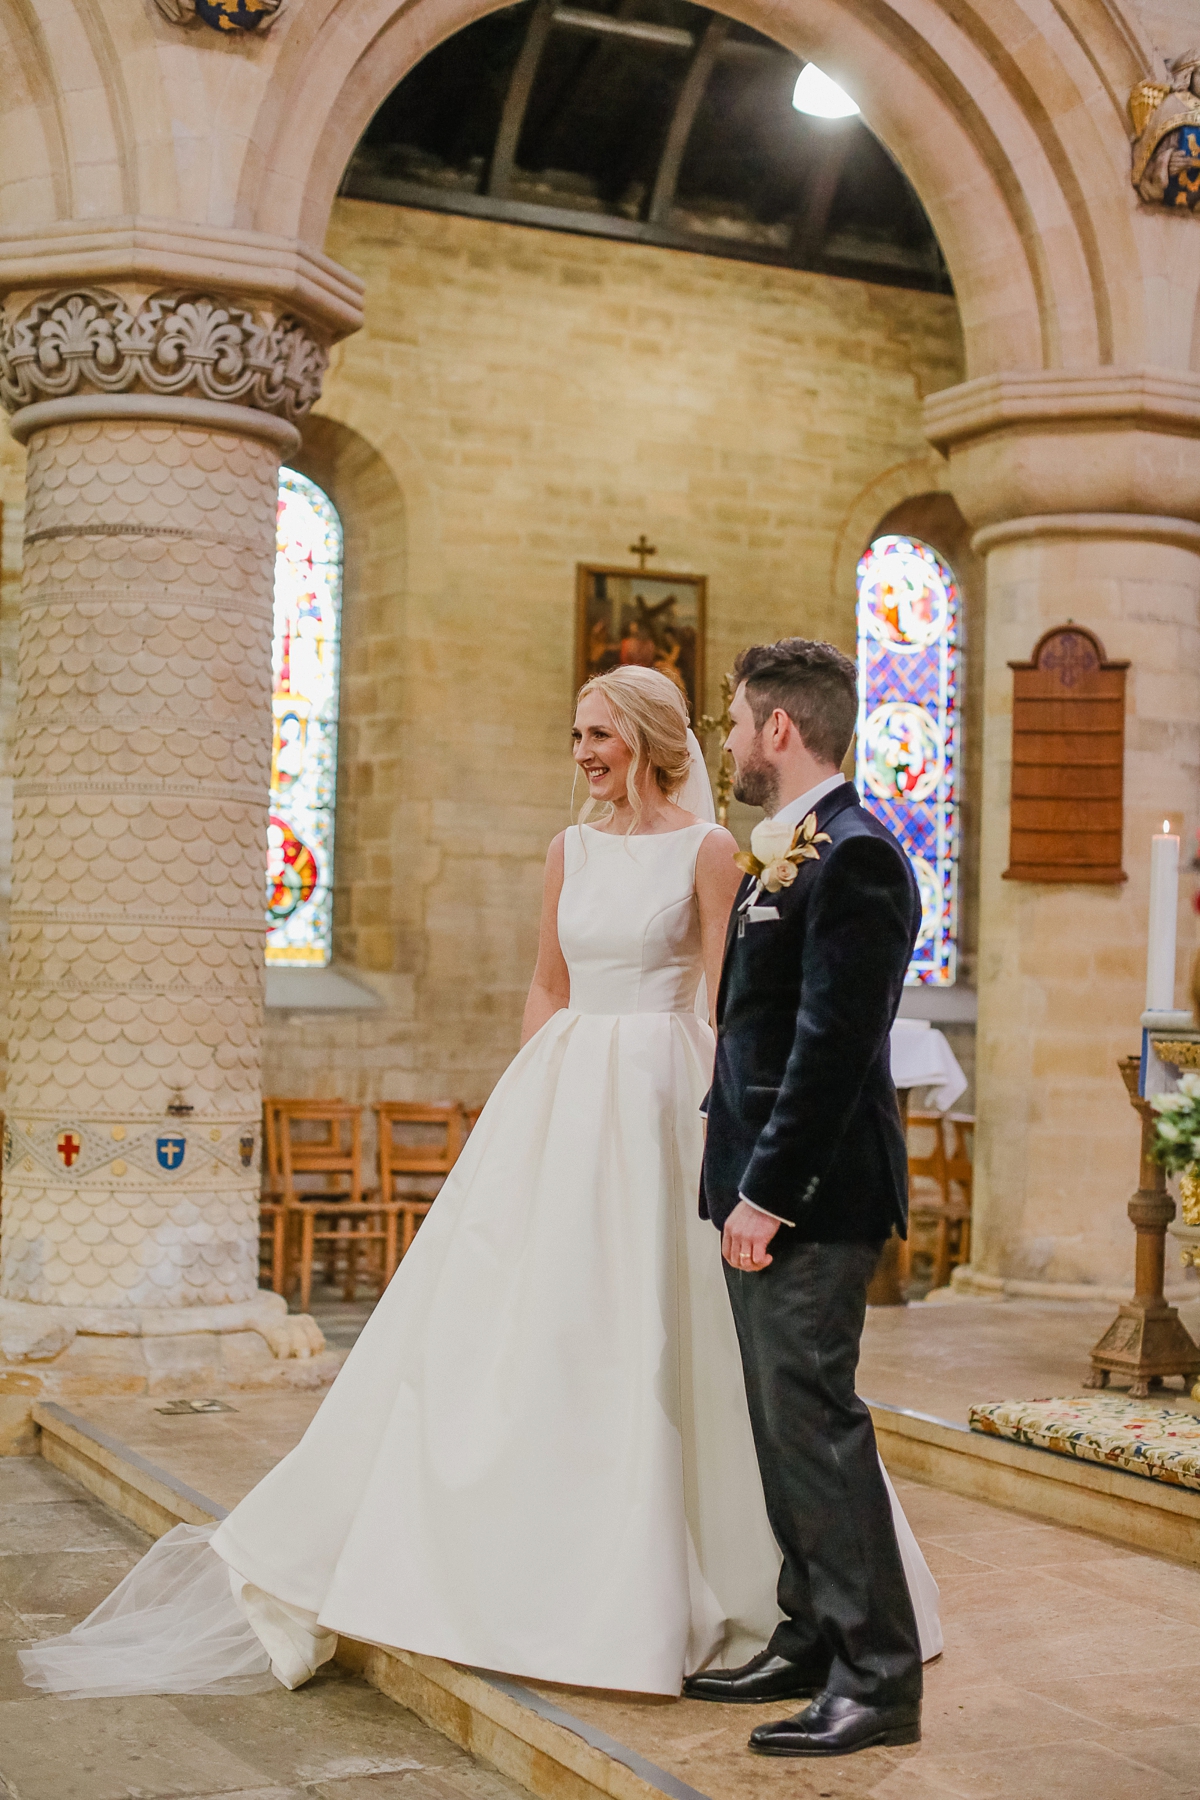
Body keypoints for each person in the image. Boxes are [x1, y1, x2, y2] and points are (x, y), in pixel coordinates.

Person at [21, 663, 940, 1704]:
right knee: (524, 1328)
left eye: (601, 733)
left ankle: (797, 1605)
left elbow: (740, 1001)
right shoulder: (567, 850)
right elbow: (547, 983)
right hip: (565, 1097)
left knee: (696, 1347)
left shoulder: (714, 848)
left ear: (645, 738)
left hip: (672, 1094)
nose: (585, 752)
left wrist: (721, 1124)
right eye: (576, 733)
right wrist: (533, 1109)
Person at [684, 638, 925, 1758]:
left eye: (734, 722)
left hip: (815, 1200)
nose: (726, 742)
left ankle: (877, 1677)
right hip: (764, 1183)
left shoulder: (858, 858)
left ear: (780, 729)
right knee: (781, 1427)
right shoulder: (794, 850)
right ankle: (810, 1633)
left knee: (818, 1427)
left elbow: (833, 1049)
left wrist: (767, 1196)